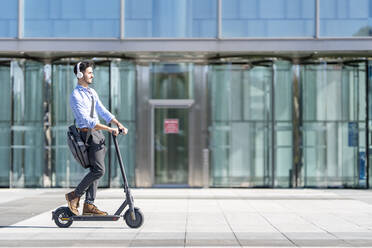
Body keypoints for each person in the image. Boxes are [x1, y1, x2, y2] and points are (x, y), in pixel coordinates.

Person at [65, 61, 128, 216]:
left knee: (96, 170)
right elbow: (89, 122)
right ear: (80, 75)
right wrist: (109, 129)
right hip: (87, 135)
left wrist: (118, 124)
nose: (92, 75)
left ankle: (89, 205)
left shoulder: (92, 93)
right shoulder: (76, 96)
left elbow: (102, 110)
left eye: (92, 72)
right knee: (99, 170)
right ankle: (74, 195)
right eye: (89, 72)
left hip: (97, 136)